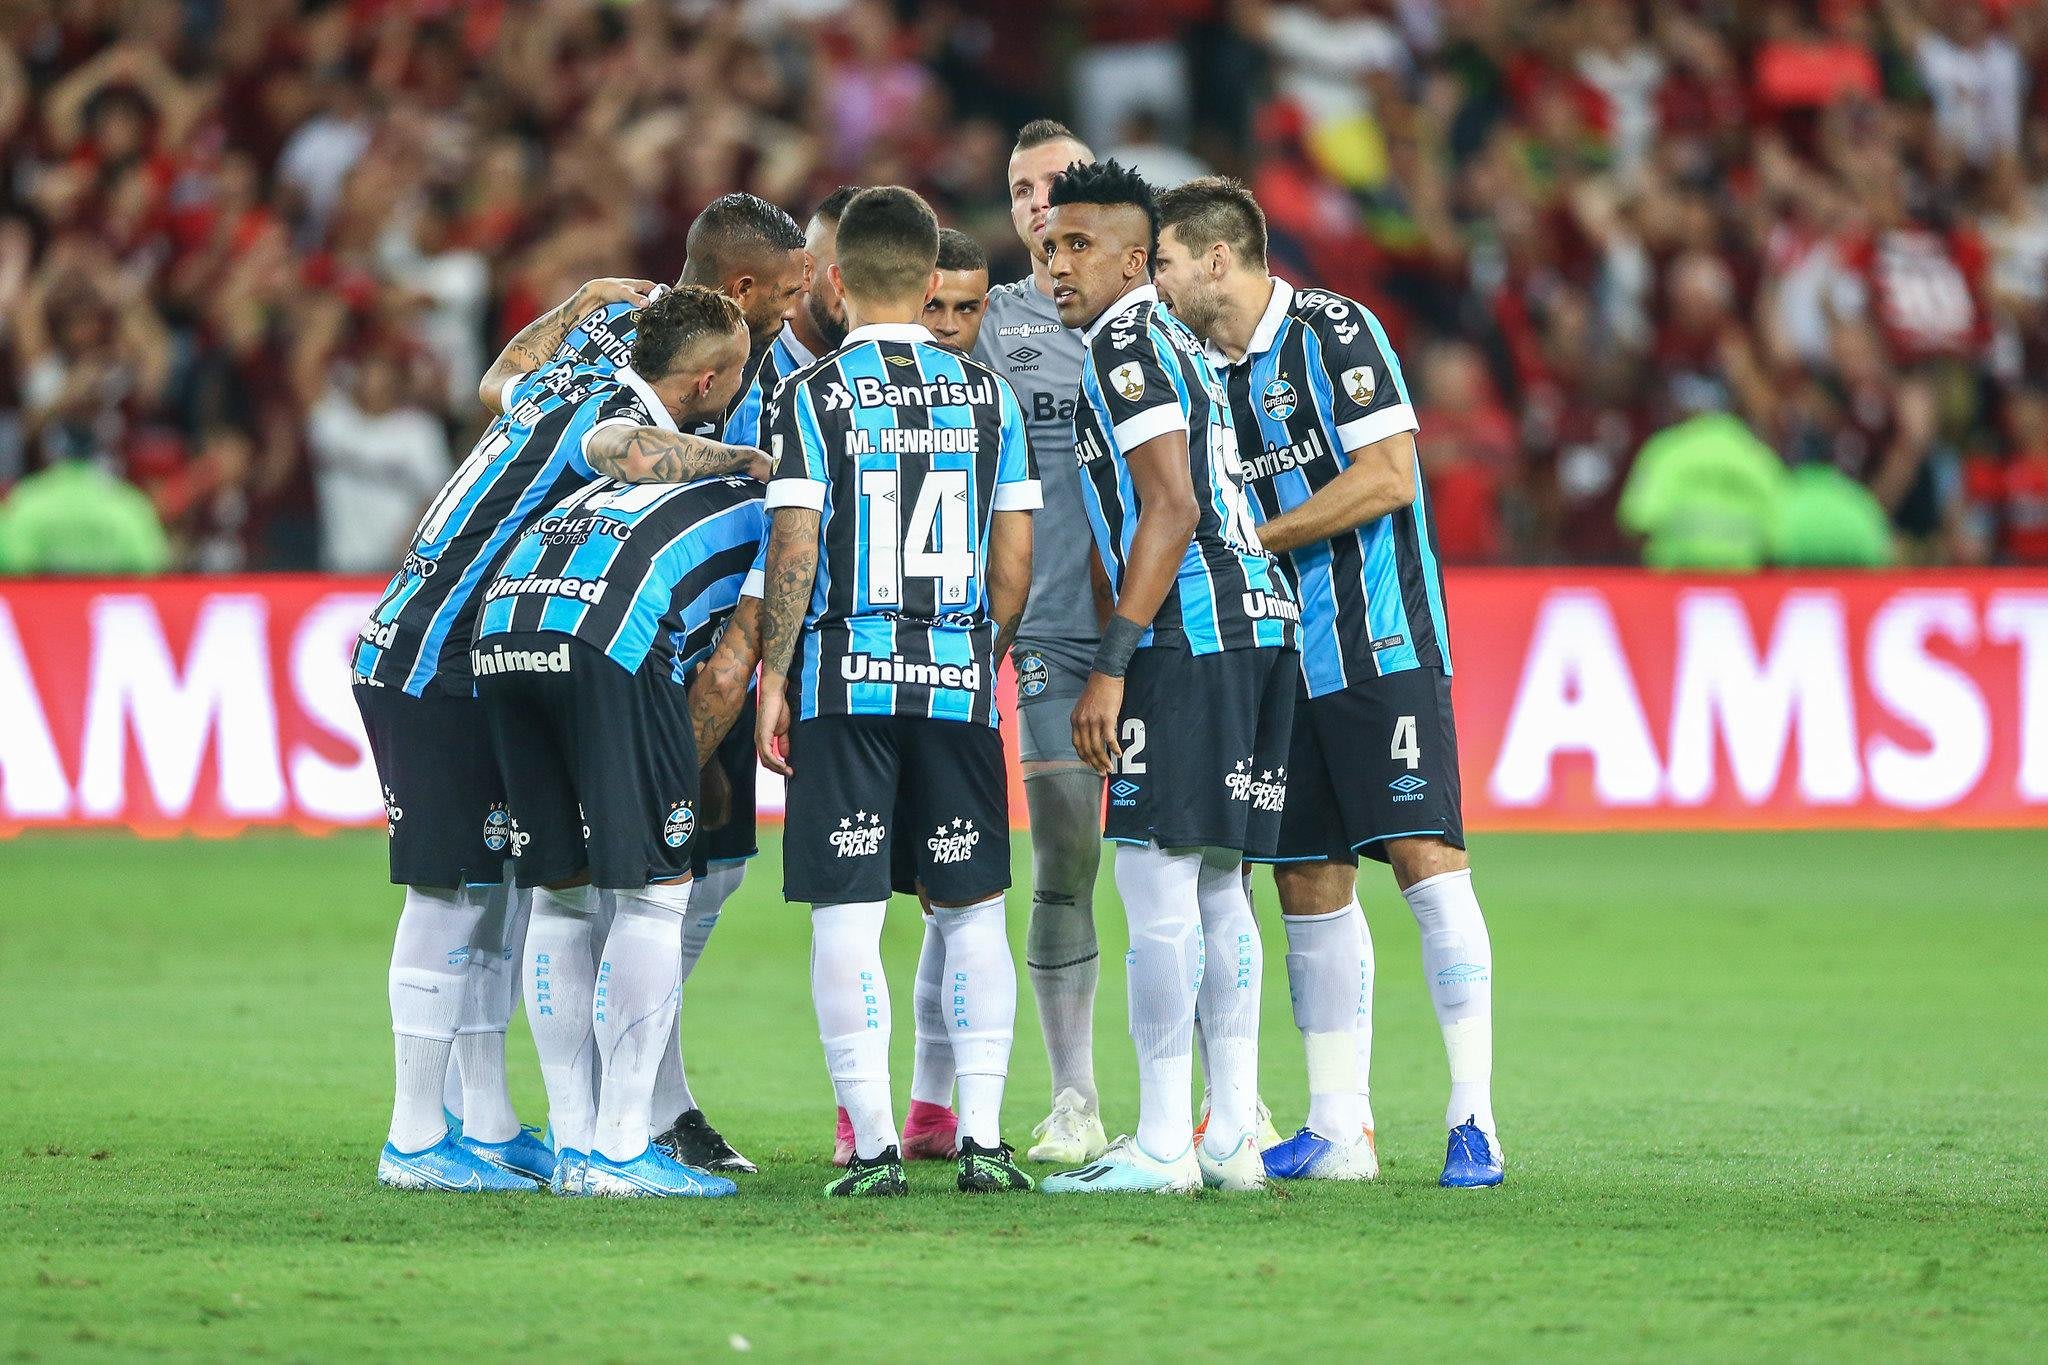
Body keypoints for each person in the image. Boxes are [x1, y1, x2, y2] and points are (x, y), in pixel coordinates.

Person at [354, 281, 761, 1193]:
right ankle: (415, 1136)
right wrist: (752, 460)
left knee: (498, 895)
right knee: (451, 897)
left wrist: (576, 303)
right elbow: (625, 449)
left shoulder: (542, 386)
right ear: (704, 381)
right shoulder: (607, 409)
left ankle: (488, 1124)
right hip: (436, 654)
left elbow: (499, 373)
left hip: (455, 643)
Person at [1153, 176, 1503, 1187]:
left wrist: (1255, 536)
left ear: (1216, 258)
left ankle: (1472, 1115)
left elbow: (1390, 473)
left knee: (1422, 860)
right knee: (1306, 878)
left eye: (1167, 263)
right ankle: (1337, 1125)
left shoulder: (1333, 330)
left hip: (1376, 641)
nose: (1159, 284)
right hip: (1276, 657)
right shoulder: (1196, 369)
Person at [475, 192, 807, 1175]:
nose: (795, 316)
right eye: (785, 297)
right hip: (626, 637)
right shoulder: (648, 367)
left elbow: (501, 387)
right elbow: (607, 439)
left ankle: (592, 1134)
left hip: (524, 608)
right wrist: (747, 460)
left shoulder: (646, 344)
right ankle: (627, 1140)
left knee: (585, 890)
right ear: (736, 304)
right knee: (655, 889)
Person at [754, 185, 1040, 1198]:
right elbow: (1014, 560)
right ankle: (985, 1139)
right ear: (929, 285)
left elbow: (794, 543)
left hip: (843, 682)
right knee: (969, 913)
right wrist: (972, 655)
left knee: (846, 918)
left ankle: (873, 1147)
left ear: (834, 281)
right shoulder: (988, 398)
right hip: (955, 687)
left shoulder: (811, 398)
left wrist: (774, 673)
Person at [1035, 161, 1297, 1196]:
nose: (1056, 263)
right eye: (1049, 245)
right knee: (1221, 885)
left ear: (1135, 260)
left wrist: (1110, 663)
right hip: (1258, 624)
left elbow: (1169, 506)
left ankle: (1156, 1144)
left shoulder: (1127, 340)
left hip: (1192, 627)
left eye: (1078, 245)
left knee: (1151, 880)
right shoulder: (1182, 339)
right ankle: (1229, 1137)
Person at [969, 118, 1113, 1167]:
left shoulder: (1164, 323)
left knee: (1197, 868)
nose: (1034, 203)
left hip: (1173, 629)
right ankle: (1074, 1098)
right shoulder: (987, 325)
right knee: (1065, 857)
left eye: (1054, 184)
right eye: (1020, 188)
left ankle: (1216, 1099)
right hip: (1052, 632)